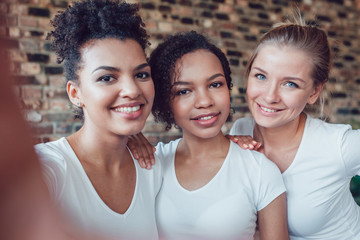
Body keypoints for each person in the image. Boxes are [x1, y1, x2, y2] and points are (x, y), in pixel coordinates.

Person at [34, 0, 162, 239]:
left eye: (141, 74)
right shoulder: (48, 168)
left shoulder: (154, 168)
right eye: (106, 78)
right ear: (75, 93)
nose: (132, 90)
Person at [148, 31, 289, 240]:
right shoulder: (152, 165)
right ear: (165, 101)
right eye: (184, 91)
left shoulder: (259, 171)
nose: (205, 101)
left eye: (215, 84)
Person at [228, 18, 360, 239]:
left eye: (290, 84)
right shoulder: (241, 130)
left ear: (314, 92)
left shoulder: (338, 145)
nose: (270, 96)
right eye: (261, 76)